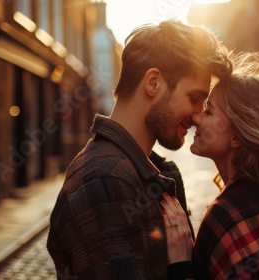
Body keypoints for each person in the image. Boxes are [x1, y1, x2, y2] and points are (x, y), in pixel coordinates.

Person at [47, 19, 232, 279]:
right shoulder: (105, 180)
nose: (197, 116)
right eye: (193, 99)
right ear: (153, 83)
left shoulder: (146, 169)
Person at [161, 52, 259, 280]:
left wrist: (180, 264)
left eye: (209, 111)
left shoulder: (227, 214)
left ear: (236, 136)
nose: (196, 118)